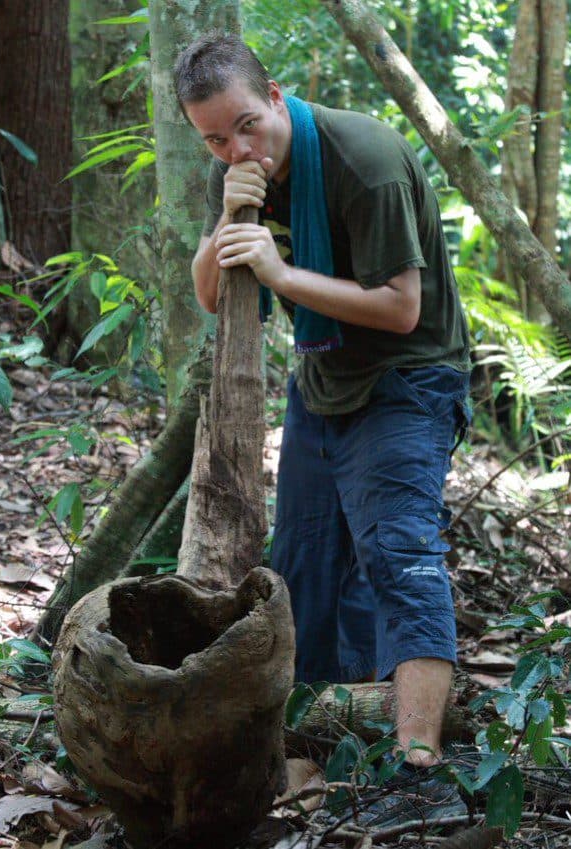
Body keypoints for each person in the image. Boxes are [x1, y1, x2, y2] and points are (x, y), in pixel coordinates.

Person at [175, 33, 471, 823]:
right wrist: (233, 209)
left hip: (411, 375)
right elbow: (208, 290)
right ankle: (324, 745)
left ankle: (418, 766)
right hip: (327, 376)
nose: (235, 147)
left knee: (398, 552)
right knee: (302, 561)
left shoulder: (362, 155)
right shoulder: (239, 168)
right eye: (212, 137)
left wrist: (276, 272)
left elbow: (402, 306)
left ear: (276, 97)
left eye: (245, 126)